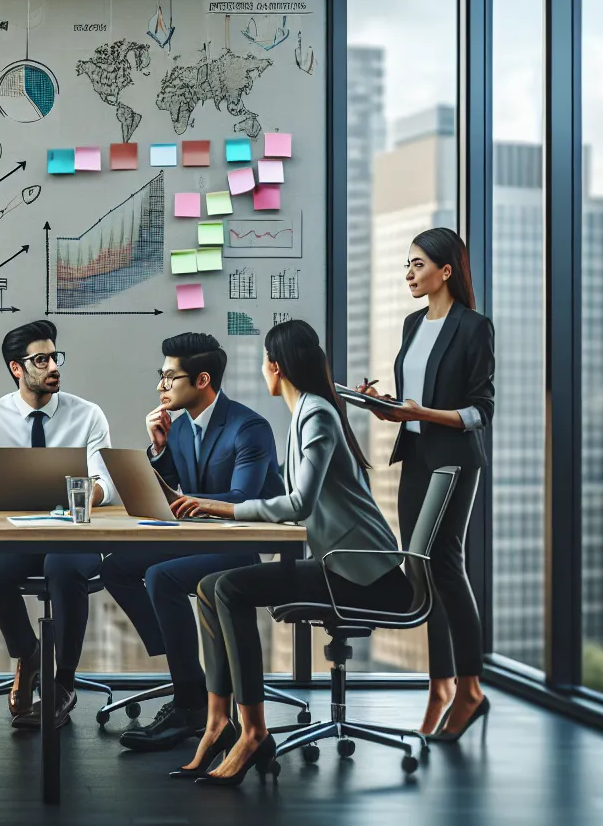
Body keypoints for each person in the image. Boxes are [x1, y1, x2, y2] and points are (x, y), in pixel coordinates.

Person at [172, 320, 413, 786]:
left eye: (264, 360)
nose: (262, 368)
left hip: (367, 575)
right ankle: (218, 722)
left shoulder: (316, 413)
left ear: (275, 366)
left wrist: (226, 507)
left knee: (232, 589)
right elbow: (295, 502)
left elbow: (299, 504)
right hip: (339, 563)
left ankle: (254, 732)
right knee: (208, 587)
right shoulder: (305, 411)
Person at [105, 332, 285, 753]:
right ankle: (184, 668)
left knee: (161, 576)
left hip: (244, 542)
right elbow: (172, 492)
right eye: (161, 376)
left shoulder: (249, 428)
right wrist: (158, 447)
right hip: (200, 536)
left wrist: (191, 502)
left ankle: (189, 702)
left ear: (201, 379)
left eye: (170, 377)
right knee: (115, 566)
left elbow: (244, 499)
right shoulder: (181, 427)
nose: (161, 386)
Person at [353, 227, 492, 740]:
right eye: (406, 266)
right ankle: (440, 686)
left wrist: (422, 412)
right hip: (415, 456)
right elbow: (414, 401)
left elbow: (482, 410)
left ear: (445, 271)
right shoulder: (413, 325)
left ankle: (471, 689)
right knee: (421, 572)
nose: (408, 274)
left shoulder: (474, 328)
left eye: (416, 265)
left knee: (446, 567)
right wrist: (384, 404)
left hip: (453, 459)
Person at [0, 319, 116, 730]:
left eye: (55, 357)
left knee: (62, 568)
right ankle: (28, 653)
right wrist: (7, 490)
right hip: (20, 531)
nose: (53, 366)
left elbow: (107, 484)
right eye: (41, 359)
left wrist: (82, 495)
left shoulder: (87, 415)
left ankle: (63, 682)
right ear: (17, 368)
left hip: (74, 534)